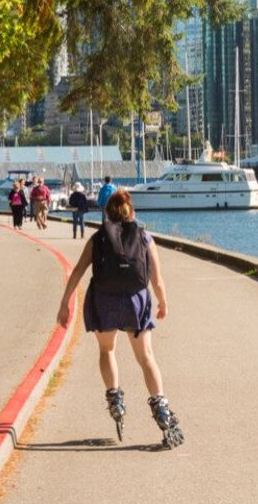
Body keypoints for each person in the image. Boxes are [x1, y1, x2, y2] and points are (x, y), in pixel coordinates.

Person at [57, 189, 184, 448]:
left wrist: (65, 303)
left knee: (107, 350)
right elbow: (157, 280)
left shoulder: (98, 238)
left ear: (107, 213)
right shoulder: (145, 238)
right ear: (132, 212)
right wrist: (163, 302)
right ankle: (161, 409)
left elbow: (78, 271)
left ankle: (115, 400)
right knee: (146, 357)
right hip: (135, 301)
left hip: (104, 299)